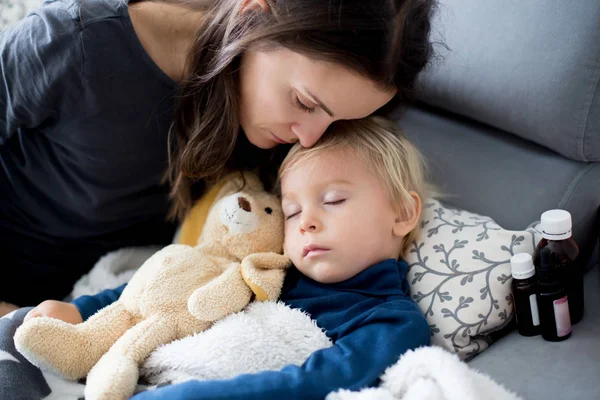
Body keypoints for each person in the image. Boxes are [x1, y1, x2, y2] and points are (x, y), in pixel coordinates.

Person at [0, 0, 436, 316]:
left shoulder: (286, 123)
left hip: (109, 299)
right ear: (251, 17)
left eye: (337, 120)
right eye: (304, 102)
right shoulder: (72, 45)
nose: (309, 139)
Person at [25, 116, 432, 399]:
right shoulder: (268, 266)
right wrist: (82, 311)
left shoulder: (389, 320)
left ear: (403, 213)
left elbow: (308, 384)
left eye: (334, 200)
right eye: (291, 211)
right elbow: (167, 290)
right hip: (126, 364)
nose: (305, 222)